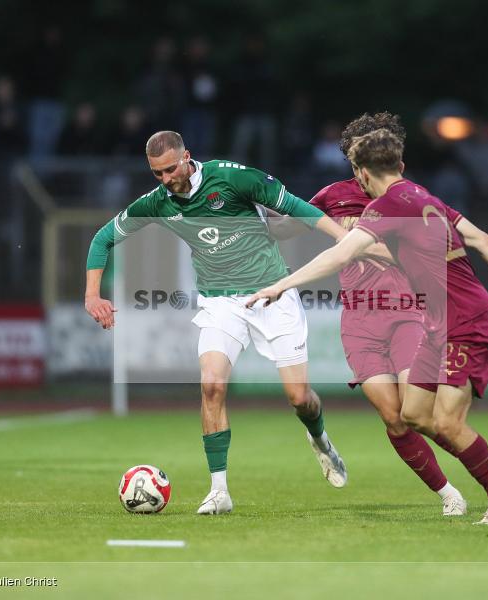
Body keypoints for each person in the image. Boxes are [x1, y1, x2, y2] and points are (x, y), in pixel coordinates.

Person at [248, 129, 488, 525]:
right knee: (414, 414)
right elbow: (483, 239)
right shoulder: (426, 199)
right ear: (400, 165)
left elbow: (342, 252)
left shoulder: (386, 206)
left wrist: (282, 284)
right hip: (440, 324)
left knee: (446, 422)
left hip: (463, 321)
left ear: (361, 172)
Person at [85, 131, 356, 515]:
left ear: (187, 157)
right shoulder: (158, 203)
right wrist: (92, 295)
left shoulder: (232, 178)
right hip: (220, 302)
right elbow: (102, 238)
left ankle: (321, 439)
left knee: (300, 399)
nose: (165, 180)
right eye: (156, 174)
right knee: (211, 385)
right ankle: (219, 491)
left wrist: (347, 241)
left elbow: (299, 208)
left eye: (169, 169)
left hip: (273, 293)